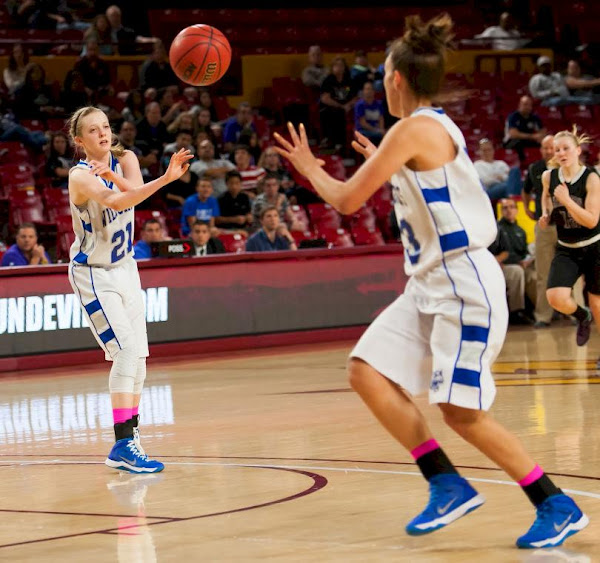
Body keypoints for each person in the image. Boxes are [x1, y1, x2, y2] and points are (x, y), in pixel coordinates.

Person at [274, 13, 588, 549]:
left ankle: (554, 503)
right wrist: (388, 165)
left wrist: (309, 168)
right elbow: (430, 185)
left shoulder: (415, 127)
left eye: (383, 74)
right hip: (427, 285)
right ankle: (445, 481)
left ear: (395, 77)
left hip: (463, 283)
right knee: (366, 372)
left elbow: (348, 200)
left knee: (461, 411)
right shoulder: (427, 128)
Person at [66, 105, 192, 473]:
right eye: (93, 130)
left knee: (138, 359)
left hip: (125, 269)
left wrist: (118, 176)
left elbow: (135, 190)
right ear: (79, 140)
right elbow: (118, 201)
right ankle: (122, 443)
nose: (103, 134)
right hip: (94, 273)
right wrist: (167, 179)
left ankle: (129, 440)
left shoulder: (126, 158)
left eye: (105, 126)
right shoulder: (79, 176)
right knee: (124, 352)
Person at [540, 127, 600, 356]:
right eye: (557, 150)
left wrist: (565, 201)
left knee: (598, 304)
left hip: (595, 246)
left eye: (566, 148)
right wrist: (546, 214)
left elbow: (592, 220)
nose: (561, 153)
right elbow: (545, 196)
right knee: (555, 297)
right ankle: (581, 315)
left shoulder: (591, 177)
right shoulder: (549, 176)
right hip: (567, 248)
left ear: (577, 150)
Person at [522, 135, 558, 327]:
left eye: (551, 147)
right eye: (545, 148)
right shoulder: (535, 168)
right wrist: (527, 207)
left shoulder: (565, 166)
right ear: (541, 150)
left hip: (565, 227)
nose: (549, 151)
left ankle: (577, 313)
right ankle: (543, 316)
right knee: (543, 273)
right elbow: (526, 190)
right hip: (543, 227)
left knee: (573, 270)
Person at [493, 199, 536, 324]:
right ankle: (516, 311)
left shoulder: (520, 231)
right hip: (504, 266)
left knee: (535, 276)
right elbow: (499, 253)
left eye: (512, 207)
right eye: (505, 208)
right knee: (517, 272)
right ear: (501, 211)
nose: (509, 210)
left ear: (517, 210)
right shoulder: (497, 229)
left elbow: (524, 252)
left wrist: (527, 260)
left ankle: (539, 311)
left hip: (521, 265)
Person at [319, 56, 359, 152]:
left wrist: (348, 105)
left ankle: (342, 144)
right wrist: (341, 106)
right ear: (332, 67)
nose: (339, 68)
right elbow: (325, 98)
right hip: (332, 107)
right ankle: (332, 142)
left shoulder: (349, 80)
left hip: (347, 107)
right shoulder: (328, 80)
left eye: (341, 65)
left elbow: (356, 97)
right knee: (334, 113)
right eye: (336, 65)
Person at [503, 95, 546, 160]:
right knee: (518, 143)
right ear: (519, 105)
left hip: (528, 140)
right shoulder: (513, 117)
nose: (527, 107)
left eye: (529, 105)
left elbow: (542, 132)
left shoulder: (534, 117)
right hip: (511, 141)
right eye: (525, 104)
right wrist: (532, 136)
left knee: (544, 143)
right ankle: (522, 164)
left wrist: (540, 137)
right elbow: (514, 134)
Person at [354, 81, 385, 145]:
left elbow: (381, 119)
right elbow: (363, 123)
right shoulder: (359, 105)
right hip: (363, 130)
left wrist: (381, 130)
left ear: (374, 91)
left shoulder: (379, 104)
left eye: (371, 89)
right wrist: (377, 131)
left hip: (377, 130)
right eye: (367, 89)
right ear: (363, 91)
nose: (369, 91)